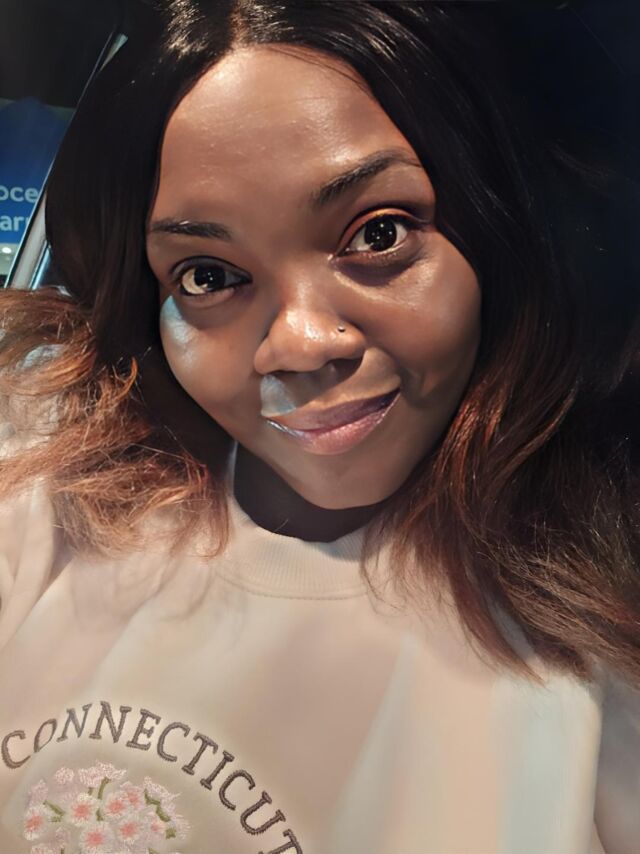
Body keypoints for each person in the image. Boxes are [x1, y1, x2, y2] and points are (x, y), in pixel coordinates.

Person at [0, 1, 638, 852]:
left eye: (379, 234)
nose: (300, 344)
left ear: (499, 232)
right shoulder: (48, 491)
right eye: (208, 276)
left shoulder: (602, 640)